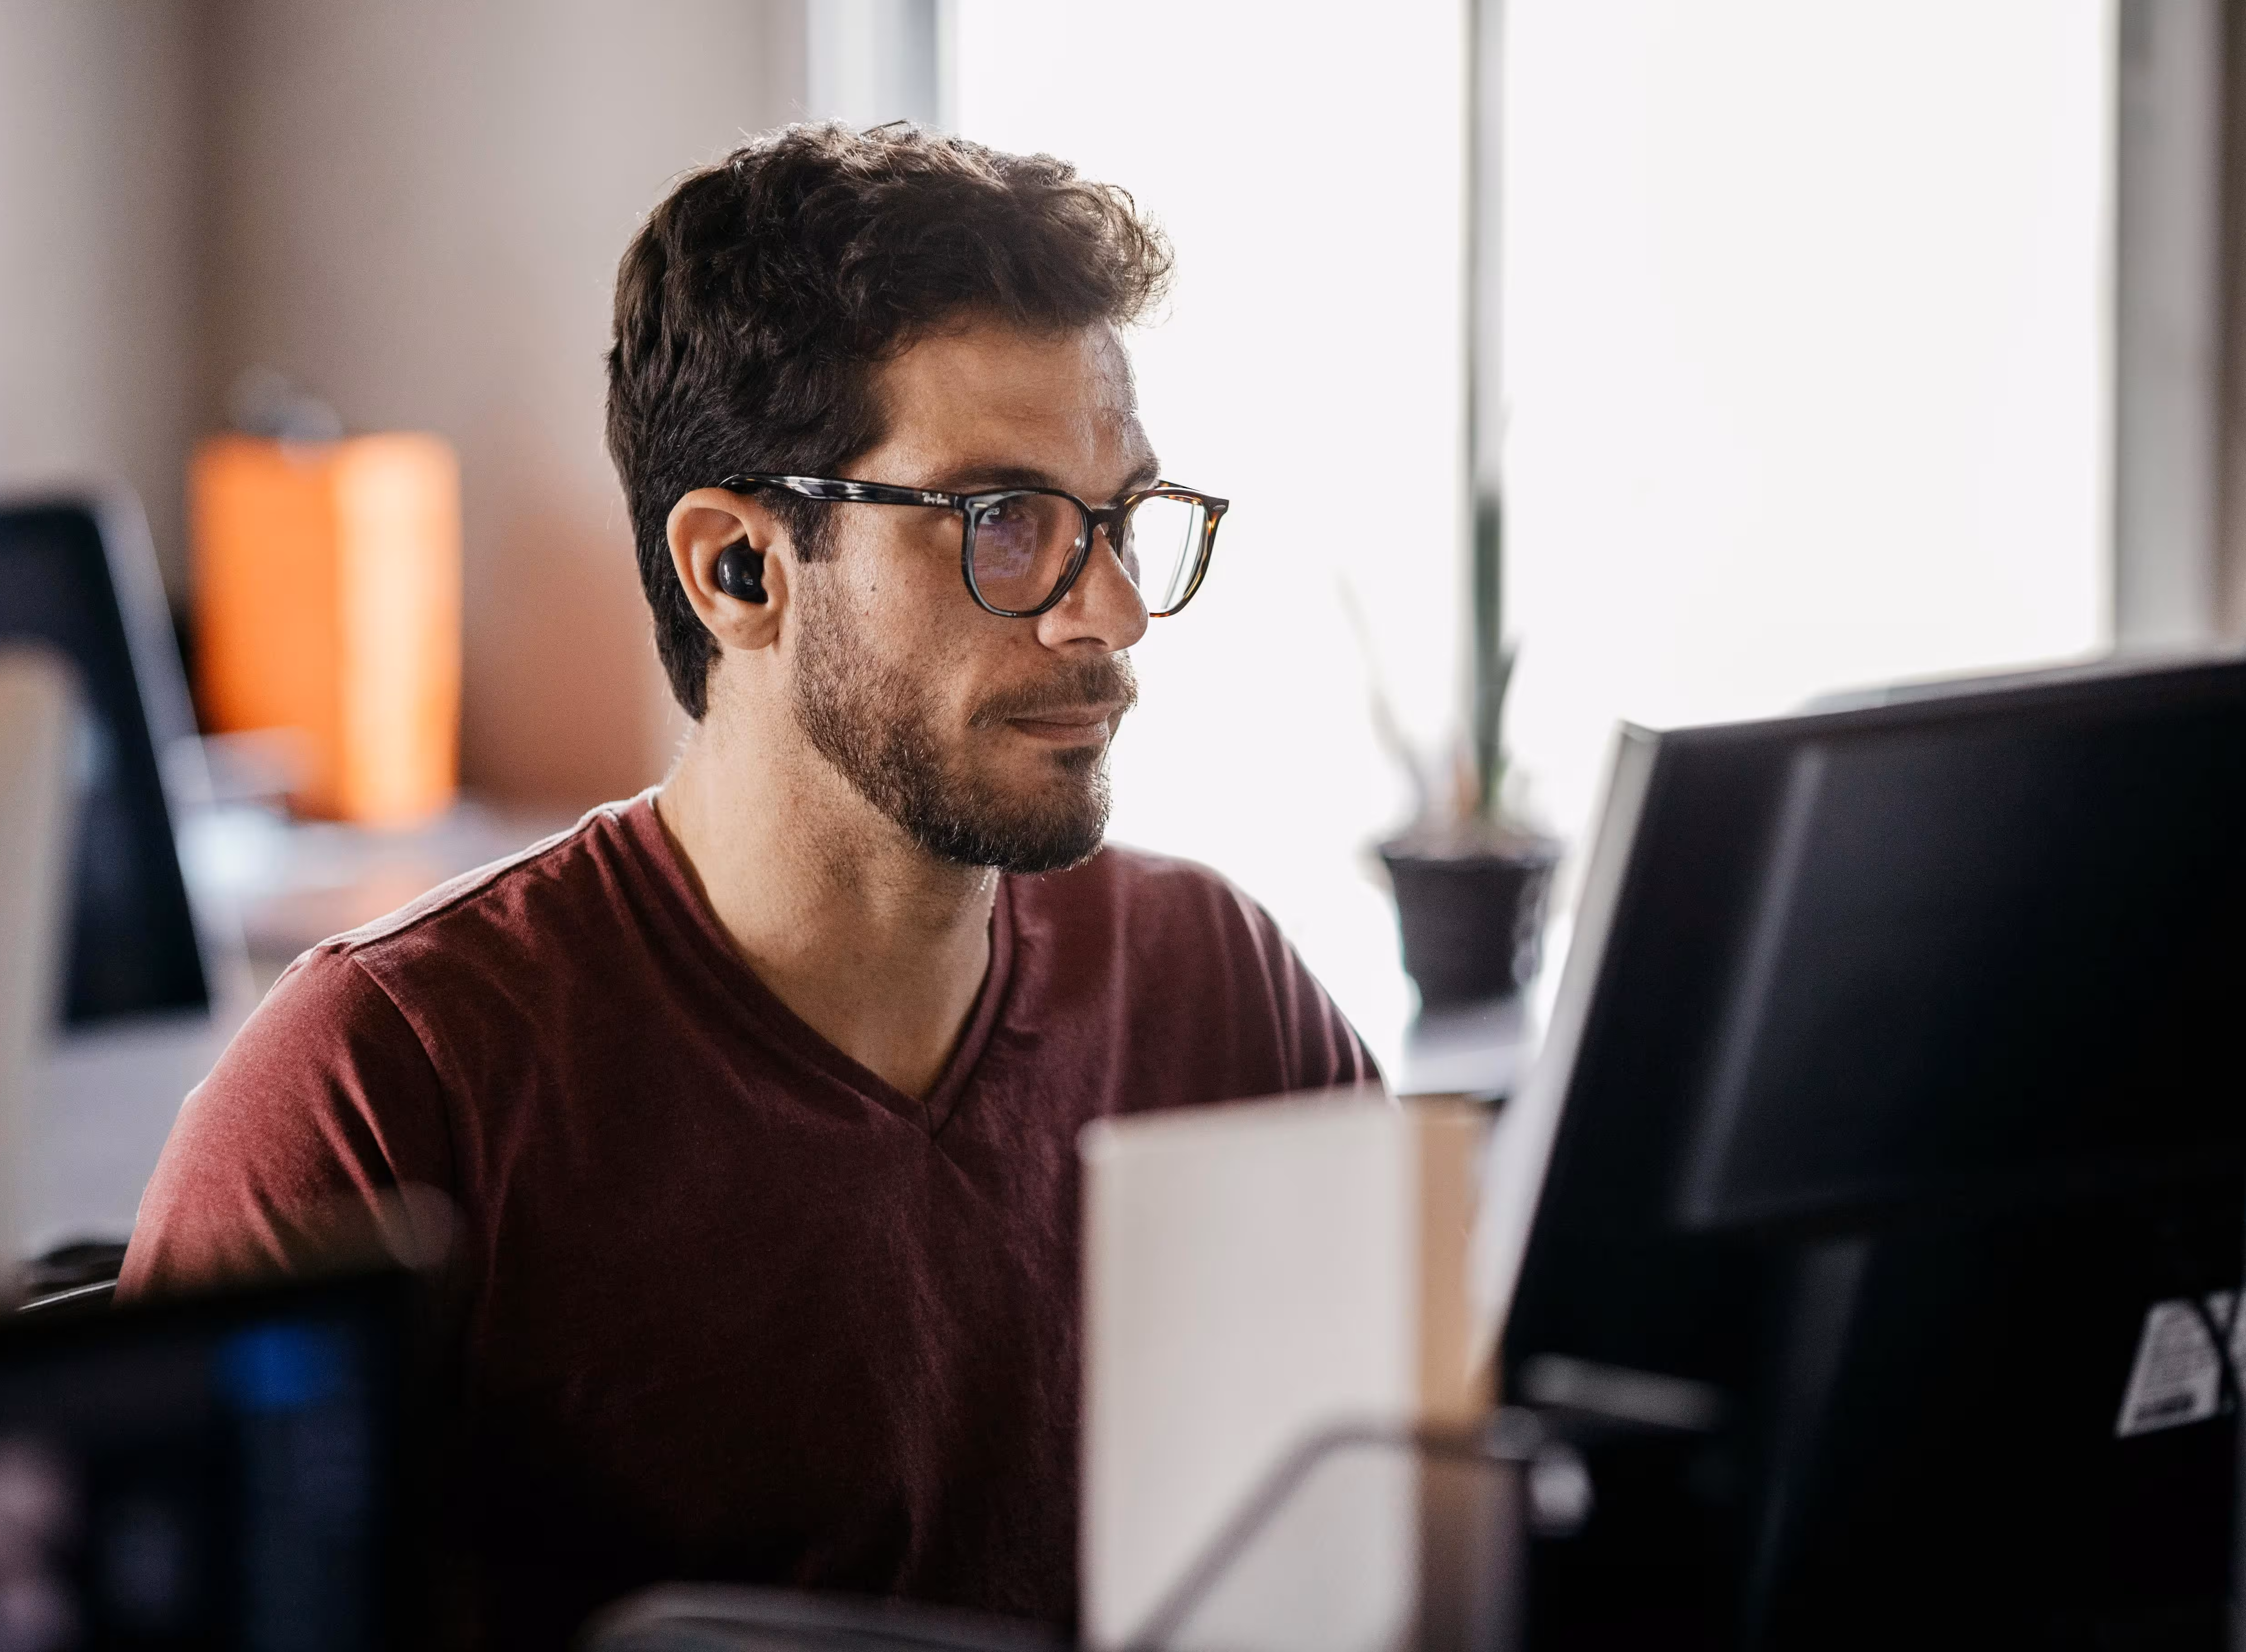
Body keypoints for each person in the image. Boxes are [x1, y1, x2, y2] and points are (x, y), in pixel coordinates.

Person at [120, 124, 1375, 1647]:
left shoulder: (1211, 985)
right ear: (738, 571)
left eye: (1119, 522)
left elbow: (1412, 1539)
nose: (1108, 611)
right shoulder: (382, 1087)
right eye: (1004, 524)